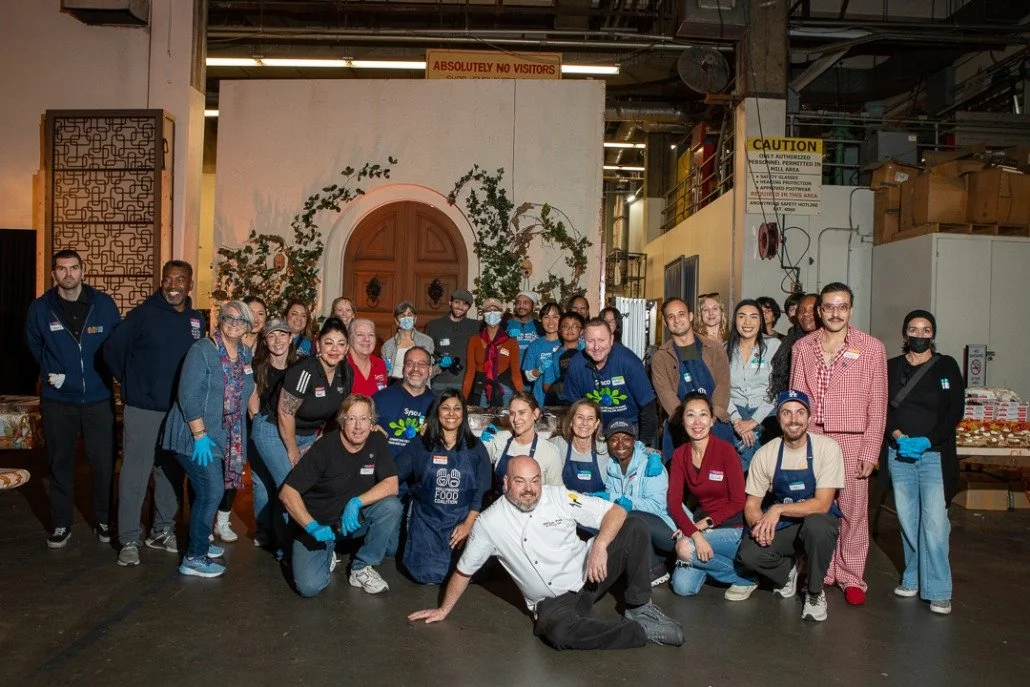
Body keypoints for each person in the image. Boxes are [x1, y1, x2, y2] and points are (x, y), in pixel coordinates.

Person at [407, 456, 684, 649]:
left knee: (635, 525)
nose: (529, 490)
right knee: (560, 634)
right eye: (520, 482)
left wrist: (599, 545)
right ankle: (639, 632)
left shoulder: (558, 496)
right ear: (505, 483)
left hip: (590, 572)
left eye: (535, 481)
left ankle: (639, 608)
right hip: (554, 601)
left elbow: (616, 510)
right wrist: (444, 609)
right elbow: (463, 570)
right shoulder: (489, 524)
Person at [790, 282, 886, 606]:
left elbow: (878, 404)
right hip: (814, 438)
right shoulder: (803, 348)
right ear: (819, 311)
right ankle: (822, 570)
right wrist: (797, 444)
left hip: (853, 439)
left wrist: (871, 450)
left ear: (850, 310)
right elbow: (796, 401)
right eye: (829, 306)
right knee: (817, 508)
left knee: (854, 510)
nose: (835, 313)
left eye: (842, 306)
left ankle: (851, 576)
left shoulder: (871, 348)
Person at [104, 260, 206, 564]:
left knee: (170, 474)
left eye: (180, 280)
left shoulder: (196, 319)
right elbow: (111, 351)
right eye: (168, 279)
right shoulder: (142, 315)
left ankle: (161, 529)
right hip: (143, 408)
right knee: (135, 474)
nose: (173, 285)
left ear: (190, 284)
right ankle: (129, 539)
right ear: (161, 281)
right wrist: (132, 381)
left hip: (178, 411)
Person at [26, 249, 121, 548]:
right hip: (58, 400)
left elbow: (115, 343)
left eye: (74, 268)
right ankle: (60, 525)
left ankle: (105, 519)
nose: (68, 274)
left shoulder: (103, 304)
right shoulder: (41, 308)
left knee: (104, 464)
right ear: (54, 273)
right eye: (62, 269)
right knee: (60, 463)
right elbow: (34, 344)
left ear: (83, 271)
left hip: (98, 398)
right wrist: (53, 370)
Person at [161, 301, 256, 578]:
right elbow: (187, 396)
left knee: (211, 492)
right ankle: (194, 557)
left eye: (241, 320)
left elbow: (247, 392)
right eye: (229, 317)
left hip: (223, 436)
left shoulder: (245, 354)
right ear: (220, 320)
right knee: (212, 491)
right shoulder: (202, 349)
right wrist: (200, 436)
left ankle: (199, 542)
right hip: (194, 435)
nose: (234, 323)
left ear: (248, 326)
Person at [736, 390, 844, 622]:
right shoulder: (766, 453)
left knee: (818, 526)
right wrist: (759, 526)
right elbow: (752, 504)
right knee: (749, 554)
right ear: (779, 418)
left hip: (816, 520)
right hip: (785, 526)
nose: (793, 419)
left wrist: (777, 509)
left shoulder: (827, 448)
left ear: (809, 417)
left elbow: (823, 504)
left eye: (799, 413)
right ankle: (789, 572)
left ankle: (814, 592)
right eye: (786, 413)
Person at [279, 394, 403, 597]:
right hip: (319, 525)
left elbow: (391, 484)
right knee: (309, 587)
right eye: (351, 418)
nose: (358, 426)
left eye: (364, 419)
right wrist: (312, 526)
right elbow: (287, 493)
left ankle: (361, 567)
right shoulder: (324, 447)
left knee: (391, 506)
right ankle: (326, 549)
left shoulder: (376, 440)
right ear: (342, 421)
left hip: (350, 521)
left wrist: (356, 503)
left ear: (372, 422)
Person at [884, 309, 964, 615]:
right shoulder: (891, 367)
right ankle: (912, 577)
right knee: (907, 521)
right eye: (914, 329)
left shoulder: (946, 366)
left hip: (934, 455)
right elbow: (880, 405)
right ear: (905, 334)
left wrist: (928, 440)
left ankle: (939, 588)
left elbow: (954, 409)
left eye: (926, 330)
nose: (920, 335)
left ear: (933, 334)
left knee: (934, 524)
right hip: (899, 452)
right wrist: (898, 435)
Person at [395, 390, 491, 584]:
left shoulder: (476, 447)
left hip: (461, 524)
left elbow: (482, 492)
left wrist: (468, 525)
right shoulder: (420, 445)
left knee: (461, 572)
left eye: (457, 408)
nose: (451, 414)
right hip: (426, 523)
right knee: (424, 574)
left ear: (463, 413)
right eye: (445, 408)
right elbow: (393, 475)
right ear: (436, 412)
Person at [666, 393, 755, 599]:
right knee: (682, 587)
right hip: (701, 529)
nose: (697, 422)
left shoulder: (726, 451)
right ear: (683, 421)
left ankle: (746, 579)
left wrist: (702, 527)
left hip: (732, 527)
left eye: (703, 415)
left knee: (684, 548)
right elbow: (674, 503)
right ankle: (725, 569)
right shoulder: (680, 455)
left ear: (712, 421)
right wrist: (697, 535)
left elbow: (738, 502)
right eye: (690, 415)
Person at [215, 293, 269, 543]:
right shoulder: (217, 345)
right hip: (219, 419)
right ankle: (205, 521)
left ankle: (223, 519)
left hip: (248, 418)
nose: (256, 318)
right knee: (215, 470)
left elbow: (253, 388)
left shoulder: (266, 345)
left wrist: (256, 418)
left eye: (261, 314)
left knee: (236, 469)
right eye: (252, 312)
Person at [596, 420, 674, 583]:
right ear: (608, 443)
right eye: (614, 439)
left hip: (668, 531)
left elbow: (657, 506)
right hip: (645, 534)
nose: (620, 444)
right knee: (616, 518)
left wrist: (623, 502)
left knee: (627, 516)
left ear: (634, 440)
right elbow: (612, 496)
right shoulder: (612, 468)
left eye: (626, 438)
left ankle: (654, 569)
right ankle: (652, 563)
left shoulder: (650, 465)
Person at [651, 298, 733, 451]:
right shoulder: (661, 358)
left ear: (690, 316)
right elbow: (666, 395)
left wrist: (710, 419)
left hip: (715, 424)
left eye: (681, 314)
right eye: (671, 316)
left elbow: (723, 385)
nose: (677, 320)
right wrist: (689, 422)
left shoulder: (714, 349)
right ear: (666, 323)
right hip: (680, 430)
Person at [561, 318, 658, 444]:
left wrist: (644, 445)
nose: (596, 347)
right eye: (591, 341)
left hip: (631, 428)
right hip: (595, 429)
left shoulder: (629, 361)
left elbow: (648, 407)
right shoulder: (576, 364)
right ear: (583, 341)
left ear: (611, 339)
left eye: (602, 340)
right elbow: (572, 406)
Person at [274, 317, 353, 468]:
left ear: (347, 348)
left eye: (341, 344)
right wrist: (293, 450)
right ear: (318, 345)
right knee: (289, 482)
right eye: (329, 343)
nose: (335, 349)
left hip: (310, 435)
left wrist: (323, 438)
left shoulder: (347, 372)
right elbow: (285, 413)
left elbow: (341, 411)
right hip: (276, 431)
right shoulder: (305, 370)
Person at [247, 317, 297, 549]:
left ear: (290, 337)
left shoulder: (300, 366)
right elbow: (253, 396)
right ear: (265, 341)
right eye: (271, 335)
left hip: (290, 430)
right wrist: (258, 420)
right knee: (260, 481)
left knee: (284, 481)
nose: (277, 340)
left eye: (282, 334)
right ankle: (264, 530)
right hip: (265, 427)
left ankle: (284, 533)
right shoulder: (259, 366)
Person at [725, 299, 781, 471]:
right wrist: (738, 422)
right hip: (735, 412)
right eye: (742, 317)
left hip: (766, 413)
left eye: (753, 317)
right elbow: (722, 390)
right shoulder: (724, 349)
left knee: (764, 467)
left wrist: (754, 421)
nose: (747, 322)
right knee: (736, 466)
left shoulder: (773, 346)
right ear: (735, 321)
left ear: (761, 321)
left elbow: (776, 388)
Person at [480, 392, 563, 488]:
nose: (516, 419)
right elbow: (478, 465)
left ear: (535, 414)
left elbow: (556, 493)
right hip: (501, 501)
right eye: (512, 414)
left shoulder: (550, 452)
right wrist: (483, 444)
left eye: (522, 412)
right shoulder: (500, 440)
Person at [373, 347, 436, 457]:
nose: (415, 369)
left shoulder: (437, 404)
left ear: (430, 370)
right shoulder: (380, 398)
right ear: (403, 369)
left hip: (419, 472)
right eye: (409, 364)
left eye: (421, 364)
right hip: (384, 471)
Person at [463, 298, 522, 407]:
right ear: (483, 314)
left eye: (496, 310)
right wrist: (463, 399)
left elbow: (516, 373)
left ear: (501, 314)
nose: (492, 313)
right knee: (482, 422)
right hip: (481, 390)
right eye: (488, 310)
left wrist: (522, 398)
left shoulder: (511, 341)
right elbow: (470, 372)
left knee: (503, 423)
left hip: (504, 391)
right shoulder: (475, 340)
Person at [767, 293, 819, 402]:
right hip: (792, 400)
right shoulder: (792, 340)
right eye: (801, 310)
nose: (806, 314)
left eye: (811, 309)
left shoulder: (830, 343)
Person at [425, 289, 478, 394]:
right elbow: (426, 354)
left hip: (464, 384)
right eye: (457, 302)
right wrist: (439, 362)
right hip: (438, 384)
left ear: (469, 307)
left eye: (465, 304)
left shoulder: (475, 326)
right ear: (450, 302)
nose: (460, 306)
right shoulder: (434, 326)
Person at [549, 398, 608, 493]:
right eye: (580, 417)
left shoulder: (606, 450)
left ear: (596, 423)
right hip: (567, 505)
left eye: (590, 418)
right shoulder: (557, 445)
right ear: (571, 421)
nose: (585, 423)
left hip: (596, 505)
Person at [522, 301, 562, 407]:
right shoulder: (535, 345)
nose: (551, 321)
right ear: (541, 319)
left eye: (555, 317)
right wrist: (540, 369)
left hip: (563, 401)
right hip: (540, 401)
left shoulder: (567, 343)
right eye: (546, 317)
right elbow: (529, 377)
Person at [381, 301, 435, 381]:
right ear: (396, 321)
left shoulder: (426, 341)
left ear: (415, 318)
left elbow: (430, 370)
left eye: (410, 315)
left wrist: (440, 366)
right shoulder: (388, 345)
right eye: (402, 316)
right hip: (395, 387)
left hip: (419, 386)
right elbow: (384, 373)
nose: (406, 318)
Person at [541, 311, 585, 406]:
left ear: (581, 331)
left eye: (574, 326)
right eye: (565, 326)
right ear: (560, 330)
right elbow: (546, 386)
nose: (570, 329)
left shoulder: (587, 352)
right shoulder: (553, 357)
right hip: (563, 402)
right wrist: (559, 388)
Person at [347, 318, 389, 396]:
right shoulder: (342, 364)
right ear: (350, 338)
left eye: (371, 335)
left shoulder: (380, 364)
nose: (366, 339)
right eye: (360, 334)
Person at [506, 290, 543, 363]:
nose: (521, 306)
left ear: (534, 306)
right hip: (511, 371)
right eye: (518, 303)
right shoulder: (505, 325)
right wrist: (505, 336)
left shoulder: (540, 327)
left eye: (526, 302)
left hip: (533, 371)